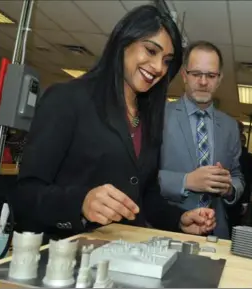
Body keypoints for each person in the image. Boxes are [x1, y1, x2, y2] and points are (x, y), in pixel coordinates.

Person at [12, 5, 216, 241]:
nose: (159, 67)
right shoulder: (67, 99)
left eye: (167, 60)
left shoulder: (149, 117)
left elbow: (145, 196)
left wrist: (179, 219)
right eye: (150, 51)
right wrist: (81, 203)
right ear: (123, 42)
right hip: (67, 259)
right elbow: (25, 195)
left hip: (123, 256)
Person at [159, 40, 244, 239]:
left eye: (211, 75)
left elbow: (238, 176)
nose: (203, 82)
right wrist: (186, 181)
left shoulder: (230, 126)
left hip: (215, 233)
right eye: (196, 74)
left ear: (219, 78)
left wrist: (229, 188)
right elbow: (142, 177)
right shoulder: (160, 117)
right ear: (184, 76)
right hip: (167, 229)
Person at [227, 132, 252, 233]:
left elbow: (248, 179)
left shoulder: (246, 156)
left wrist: (245, 200)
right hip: (230, 194)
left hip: (233, 194)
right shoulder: (245, 156)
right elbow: (249, 179)